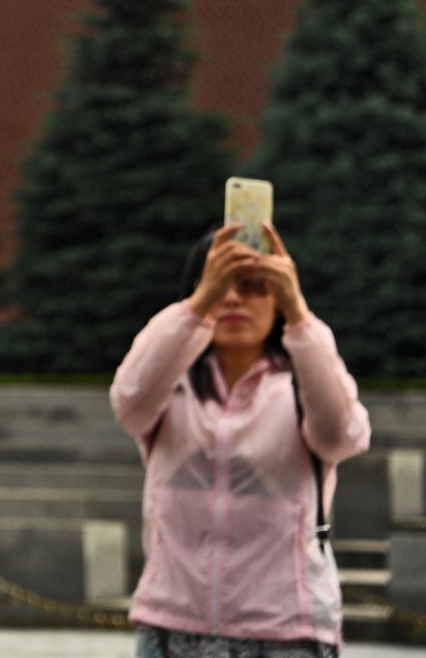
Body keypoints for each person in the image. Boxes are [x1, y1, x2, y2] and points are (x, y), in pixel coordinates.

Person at [111, 222, 372, 658]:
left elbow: (342, 436)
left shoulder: (302, 381)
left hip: (286, 631)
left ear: (279, 296)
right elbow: (128, 402)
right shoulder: (171, 384)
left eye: (254, 286)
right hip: (172, 626)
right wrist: (196, 307)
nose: (233, 299)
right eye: (219, 283)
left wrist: (301, 317)